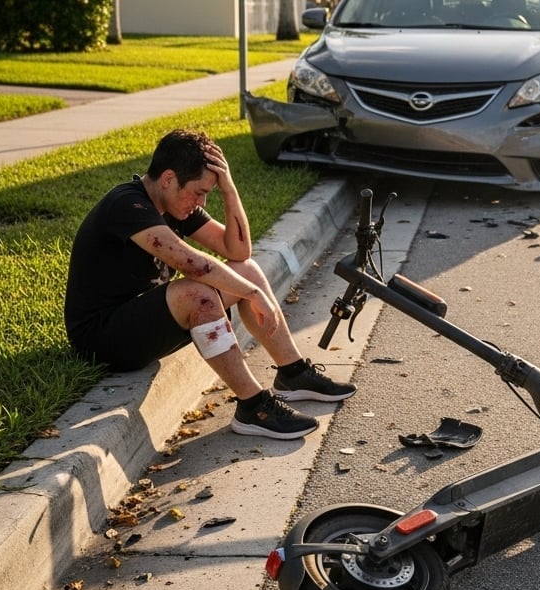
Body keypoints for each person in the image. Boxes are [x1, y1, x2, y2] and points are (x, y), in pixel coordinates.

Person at [64, 129, 356, 440]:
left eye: (208, 194)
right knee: (199, 294)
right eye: (199, 192)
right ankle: (253, 407)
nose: (201, 201)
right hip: (101, 338)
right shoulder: (127, 205)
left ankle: (293, 374)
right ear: (167, 179)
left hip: (141, 322)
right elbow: (190, 262)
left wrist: (229, 189)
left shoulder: (175, 203)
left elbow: (238, 251)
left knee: (248, 270)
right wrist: (253, 294)